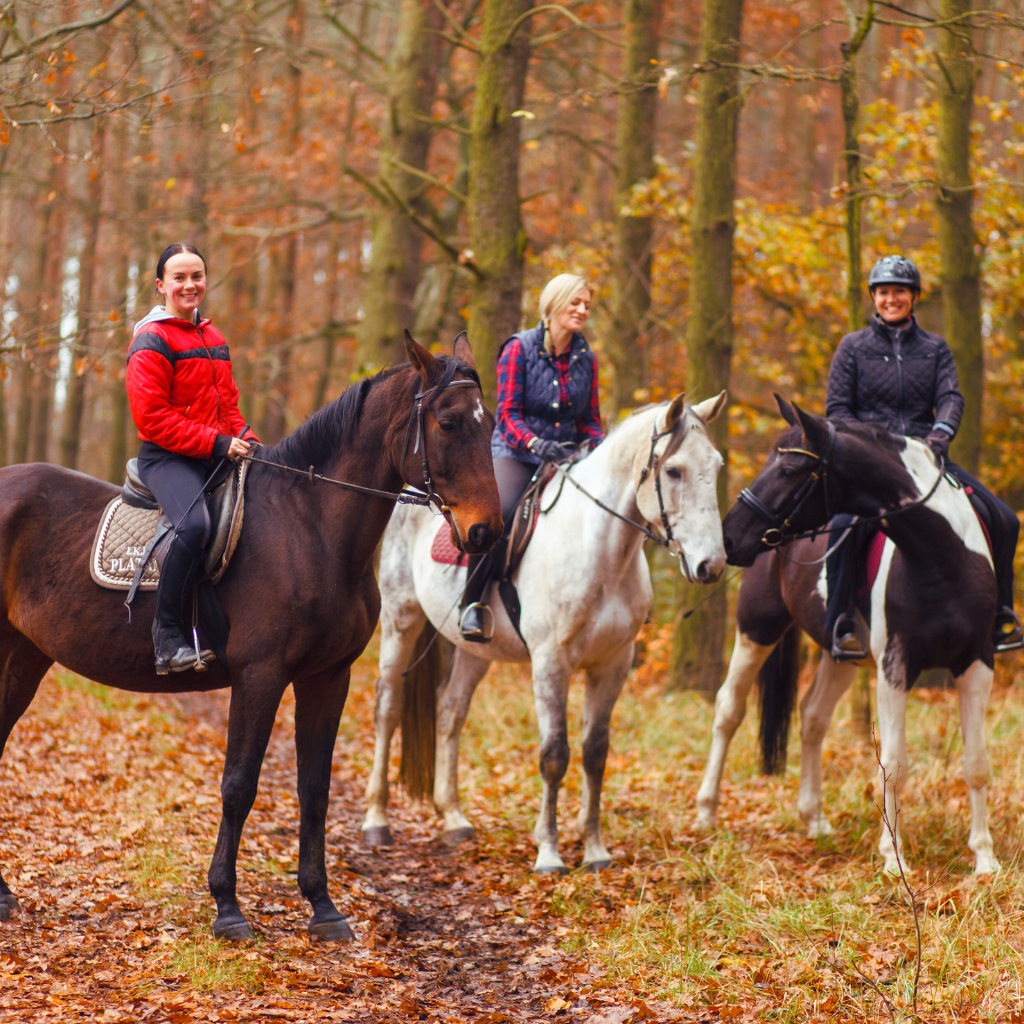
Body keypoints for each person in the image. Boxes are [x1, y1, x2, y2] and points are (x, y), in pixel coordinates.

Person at [824, 254, 1022, 660]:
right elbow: (837, 411)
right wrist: (870, 445)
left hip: (927, 459)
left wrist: (939, 436)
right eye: (883, 292)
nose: (891, 299)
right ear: (874, 298)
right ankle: (841, 621)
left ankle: (1002, 614)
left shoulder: (935, 349)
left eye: (899, 291)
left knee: (1003, 518)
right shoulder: (852, 348)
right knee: (844, 525)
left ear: (914, 297)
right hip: (872, 466)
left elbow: (950, 397)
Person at [126, 243, 259, 674]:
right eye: (179, 277)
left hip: (212, 452)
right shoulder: (152, 339)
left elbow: (229, 410)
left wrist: (249, 441)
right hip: (167, 459)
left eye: (196, 276)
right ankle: (166, 638)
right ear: (161, 285)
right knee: (195, 525)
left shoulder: (213, 337)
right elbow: (151, 419)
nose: (190, 285)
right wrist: (219, 444)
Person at [459, 274, 606, 641]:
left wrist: (603, 448)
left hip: (567, 458)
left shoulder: (588, 359)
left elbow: (589, 421)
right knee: (497, 515)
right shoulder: (518, 349)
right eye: (576, 302)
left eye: (587, 304)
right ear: (554, 303)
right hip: (516, 453)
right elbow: (507, 414)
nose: (582, 310)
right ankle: (472, 606)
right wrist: (536, 444)